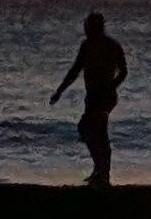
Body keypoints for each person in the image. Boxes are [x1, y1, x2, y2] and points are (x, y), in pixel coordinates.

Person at [54, 10, 129, 186]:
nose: (86, 29)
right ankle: (101, 170)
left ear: (95, 27)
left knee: (91, 129)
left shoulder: (107, 46)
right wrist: (60, 90)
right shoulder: (88, 46)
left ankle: (102, 171)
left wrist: (111, 85)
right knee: (95, 132)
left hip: (104, 96)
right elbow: (75, 70)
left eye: (88, 26)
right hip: (95, 96)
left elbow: (123, 71)